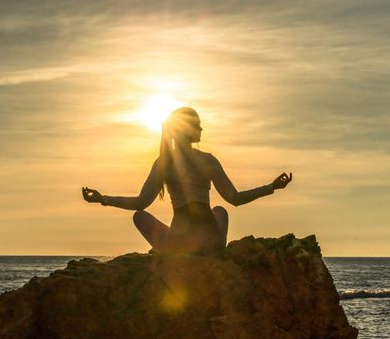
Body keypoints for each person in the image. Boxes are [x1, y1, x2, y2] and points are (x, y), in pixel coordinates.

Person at [82, 107, 292, 255]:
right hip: (211, 243)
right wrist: (271, 187)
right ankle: (201, 250)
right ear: (187, 129)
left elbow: (140, 203)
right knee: (220, 211)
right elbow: (235, 198)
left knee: (140, 216)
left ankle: (165, 251)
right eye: (198, 125)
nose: (201, 129)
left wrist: (104, 199)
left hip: (179, 245)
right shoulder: (208, 160)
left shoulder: (163, 162)